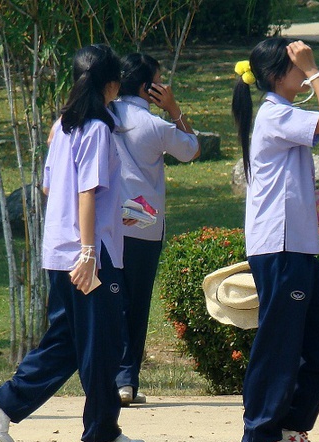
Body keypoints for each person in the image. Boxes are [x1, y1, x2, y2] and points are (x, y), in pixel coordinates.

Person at [0, 44, 147, 442]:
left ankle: (4, 401)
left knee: (68, 341)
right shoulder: (98, 128)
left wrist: (110, 213)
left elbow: (53, 187)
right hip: (88, 253)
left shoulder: (62, 127)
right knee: (102, 342)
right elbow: (86, 192)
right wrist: (89, 251)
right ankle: (102, 431)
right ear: (113, 85)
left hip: (60, 247)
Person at [231, 37, 319, 442]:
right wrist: (315, 70)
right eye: (296, 66)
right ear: (279, 75)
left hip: (296, 246)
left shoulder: (283, 113)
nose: (304, 72)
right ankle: (258, 438)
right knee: (279, 342)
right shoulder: (274, 114)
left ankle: (290, 427)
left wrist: (309, 69)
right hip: (279, 246)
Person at [112, 52, 200, 407]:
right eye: (160, 80)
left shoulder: (103, 116)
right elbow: (191, 150)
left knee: (112, 302)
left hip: (105, 224)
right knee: (136, 304)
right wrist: (175, 111)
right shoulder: (154, 125)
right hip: (144, 223)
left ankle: (111, 377)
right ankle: (126, 381)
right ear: (149, 87)